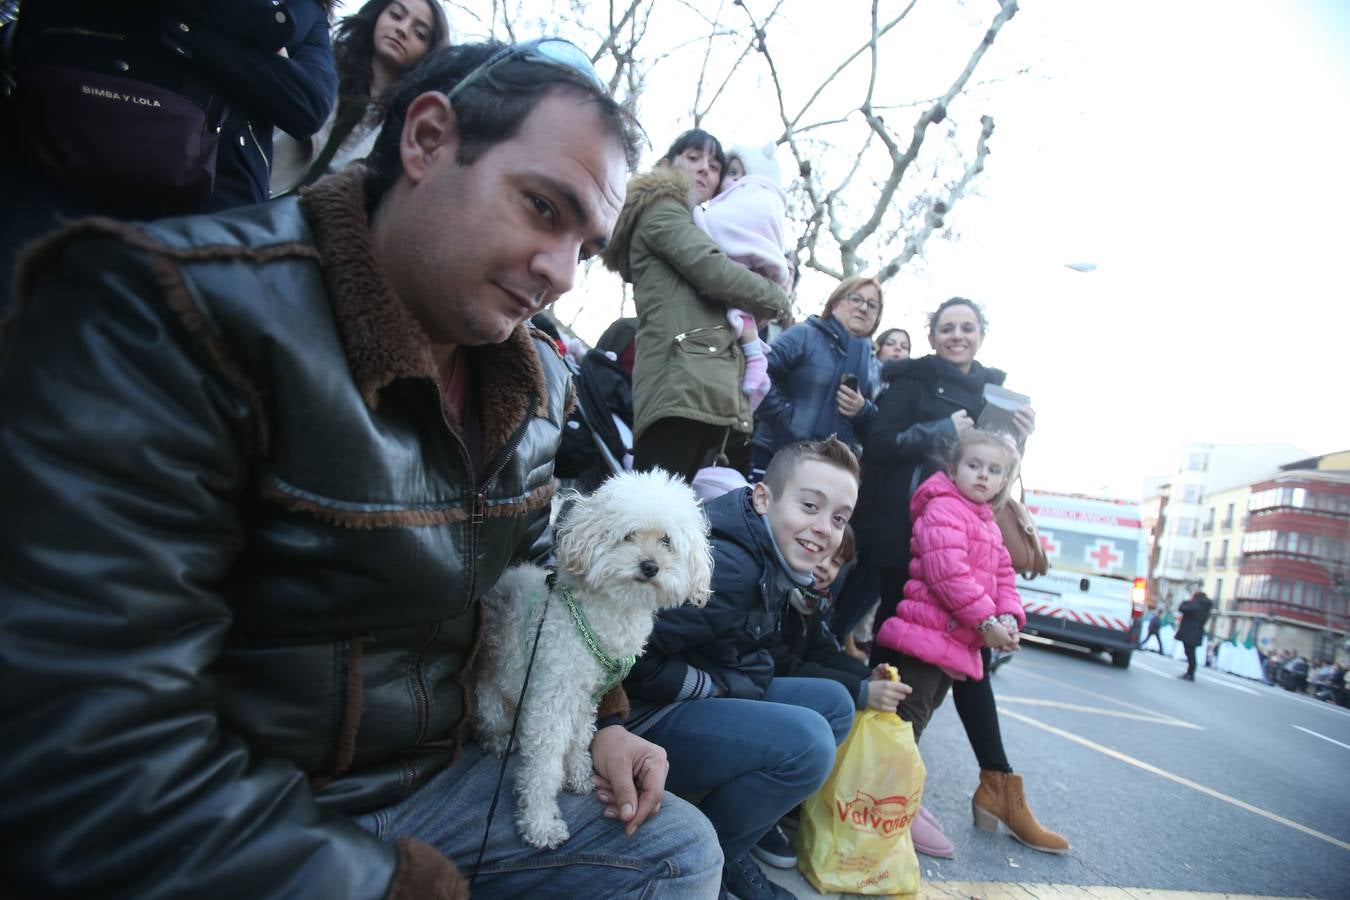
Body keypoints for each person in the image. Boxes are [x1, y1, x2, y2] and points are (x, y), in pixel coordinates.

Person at [0, 39, 725, 898]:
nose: (560, 273)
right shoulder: (178, 314)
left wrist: (603, 721)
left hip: (439, 777)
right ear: (424, 140)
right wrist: (373, 882)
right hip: (252, 799)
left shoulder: (533, 389)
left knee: (678, 850)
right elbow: (83, 747)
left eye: (585, 244)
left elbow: (553, 584)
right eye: (541, 207)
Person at [837, 296, 1067, 858]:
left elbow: (996, 467)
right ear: (933, 335)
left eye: (967, 327)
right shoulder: (910, 379)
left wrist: (1021, 435)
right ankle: (873, 785)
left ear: (982, 333)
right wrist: (942, 427)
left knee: (965, 664)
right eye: (946, 328)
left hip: (973, 542)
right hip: (905, 529)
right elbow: (883, 443)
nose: (957, 336)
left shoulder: (997, 391)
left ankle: (988, 785)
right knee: (902, 665)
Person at [622, 437, 880, 900]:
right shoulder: (735, 567)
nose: (824, 528)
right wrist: (710, 688)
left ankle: (730, 850)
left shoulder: (767, 550)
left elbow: (748, 649)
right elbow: (628, 657)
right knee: (809, 743)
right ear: (763, 497)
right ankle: (695, 865)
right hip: (639, 717)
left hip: (693, 690)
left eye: (839, 518)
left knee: (835, 705)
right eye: (809, 505)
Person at [0, 0, 339, 297]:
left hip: (202, 193)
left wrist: (191, 36)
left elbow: (309, 104)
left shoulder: (307, 9)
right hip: (65, 141)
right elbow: (261, 25)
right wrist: (263, 39)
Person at [603, 128, 791, 482]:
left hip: (697, 384)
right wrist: (778, 296)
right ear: (665, 165)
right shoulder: (661, 208)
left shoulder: (700, 222)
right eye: (693, 158)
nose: (706, 170)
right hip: (680, 382)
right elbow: (714, 272)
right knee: (650, 514)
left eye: (715, 165)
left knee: (675, 517)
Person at [751, 523, 909, 870]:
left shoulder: (812, 600)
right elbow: (782, 664)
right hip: (749, 696)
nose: (825, 566)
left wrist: (867, 674)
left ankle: (790, 800)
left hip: (771, 694)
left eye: (837, 561)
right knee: (836, 703)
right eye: (820, 552)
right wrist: (861, 691)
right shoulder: (776, 592)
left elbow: (824, 652)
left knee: (843, 699)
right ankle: (757, 817)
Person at [271, 0, 451, 195]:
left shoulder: (406, 125)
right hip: (254, 190)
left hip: (308, 219)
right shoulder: (319, 64)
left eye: (420, 34)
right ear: (378, 14)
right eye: (396, 16)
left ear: (430, 50)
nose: (402, 29)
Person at [748, 276, 883, 482]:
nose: (863, 308)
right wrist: (785, 419)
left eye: (872, 305)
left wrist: (863, 410)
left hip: (837, 469)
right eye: (856, 299)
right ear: (836, 303)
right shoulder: (804, 334)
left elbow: (880, 425)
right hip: (777, 453)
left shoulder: (876, 367)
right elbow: (761, 371)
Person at [697, 141, 794, 411]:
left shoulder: (758, 199)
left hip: (742, 273)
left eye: (737, 172)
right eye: (729, 173)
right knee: (738, 317)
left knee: (739, 315)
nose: (730, 180)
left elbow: (726, 225)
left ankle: (756, 359)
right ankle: (756, 362)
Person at [1175, 590, 1213, 681]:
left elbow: (1182, 608)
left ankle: (1190, 673)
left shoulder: (1196, 606)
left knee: (1190, 653)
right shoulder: (1205, 607)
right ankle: (1190, 672)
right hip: (1196, 632)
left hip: (1190, 632)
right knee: (1190, 652)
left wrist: (1187, 601)